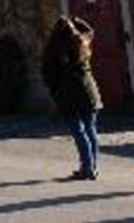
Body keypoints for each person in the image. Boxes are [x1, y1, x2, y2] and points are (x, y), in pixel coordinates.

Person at [42, 15, 103, 180]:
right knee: (90, 130)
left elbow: (47, 73)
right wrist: (76, 20)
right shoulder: (82, 43)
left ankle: (87, 166)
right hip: (88, 92)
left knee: (78, 131)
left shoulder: (53, 49)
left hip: (68, 95)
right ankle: (93, 166)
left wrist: (54, 91)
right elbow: (90, 30)